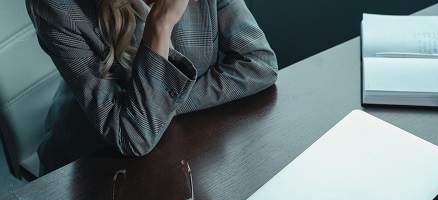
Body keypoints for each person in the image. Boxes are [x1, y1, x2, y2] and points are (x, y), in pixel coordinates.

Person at [26, 0, 278, 175]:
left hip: (181, 150)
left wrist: (171, 107)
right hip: (93, 163)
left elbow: (259, 62)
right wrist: (161, 23)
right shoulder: (56, 6)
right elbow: (132, 135)